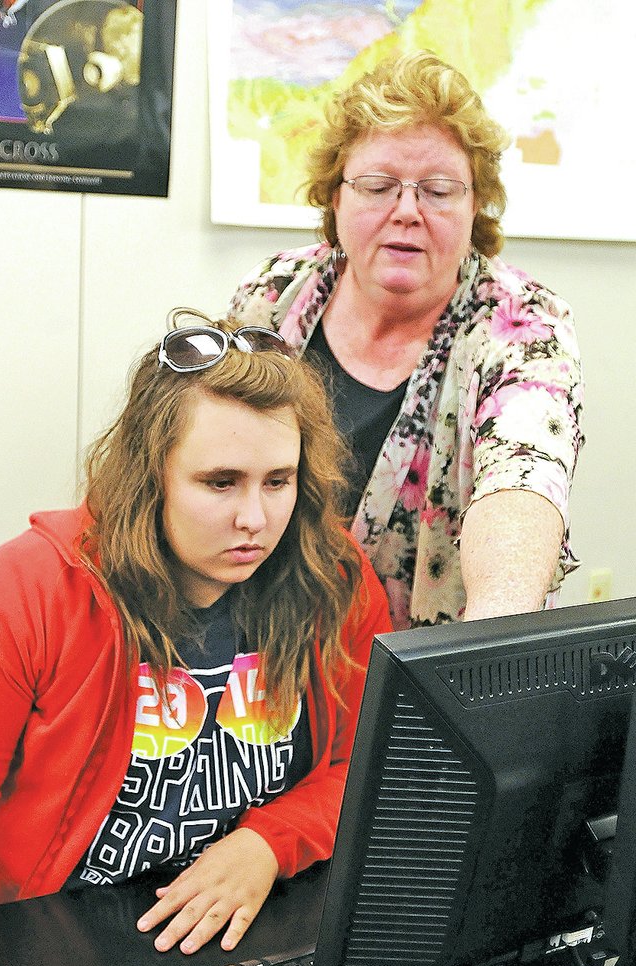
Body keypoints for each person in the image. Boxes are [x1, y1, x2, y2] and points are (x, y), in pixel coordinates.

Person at [0, 310, 392, 966]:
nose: (255, 517)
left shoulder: (333, 579)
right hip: (61, 948)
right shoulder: (29, 589)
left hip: (246, 933)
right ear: (150, 472)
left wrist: (267, 842)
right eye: (218, 482)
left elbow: (362, 768)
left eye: (279, 481)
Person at [228, 51, 584, 631]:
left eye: (439, 190)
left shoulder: (522, 328)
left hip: (426, 677)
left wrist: (494, 632)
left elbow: (524, 478)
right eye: (377, 186)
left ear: (475, 207)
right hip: (263, 650)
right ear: (336, 198)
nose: (407, 212)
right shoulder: (273, 297)